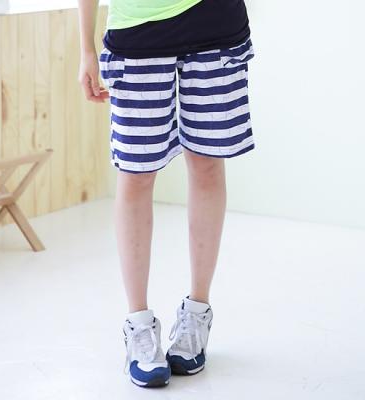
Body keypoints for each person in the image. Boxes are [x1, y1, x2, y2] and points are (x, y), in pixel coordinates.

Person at [78, 0, 255, 388]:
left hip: (215, 25)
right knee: (136, 173)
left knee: (206, 162)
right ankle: (138, 324)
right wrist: (86, 48)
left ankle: (197, 313)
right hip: (136, 32)